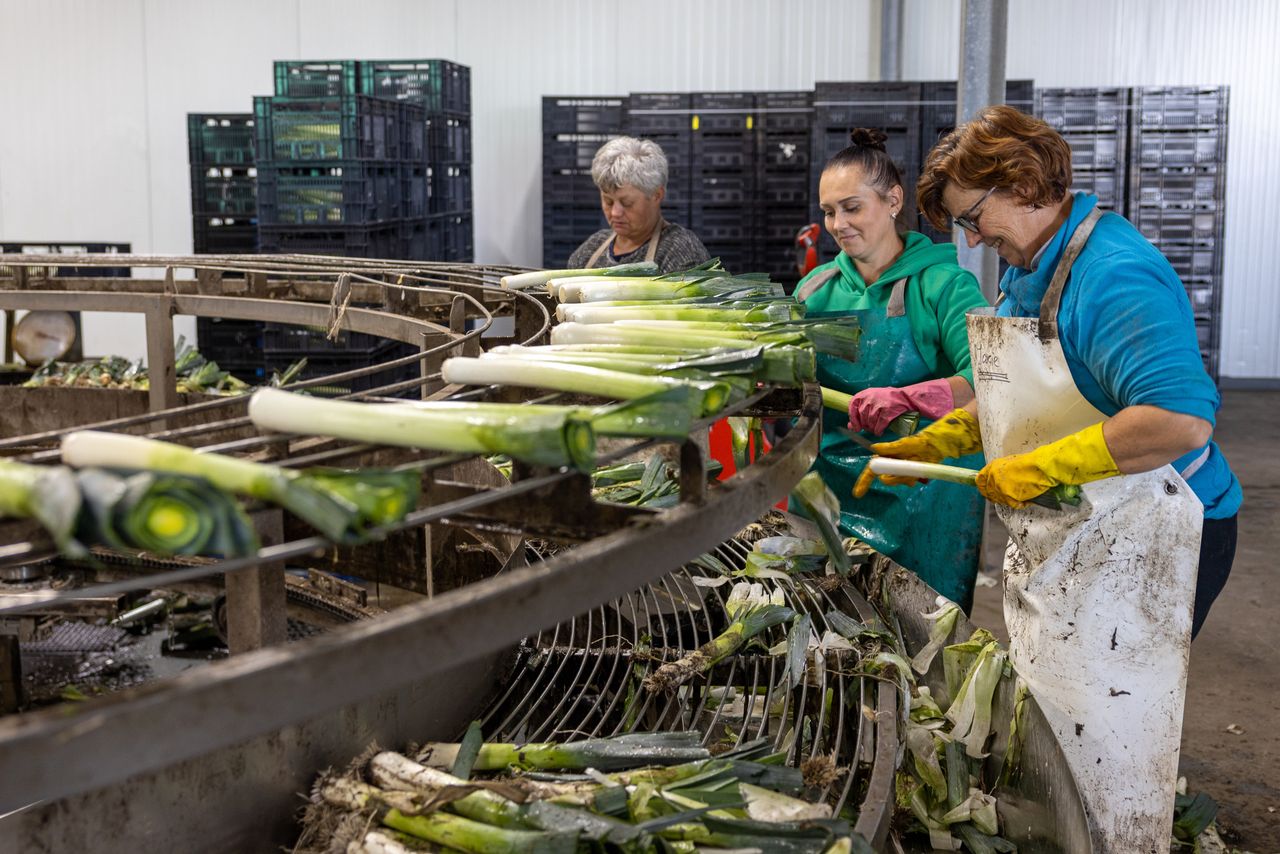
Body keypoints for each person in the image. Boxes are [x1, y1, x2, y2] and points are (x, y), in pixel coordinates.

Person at [865, 105, 1241, 852]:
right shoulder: (1034, 262)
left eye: (974, 218)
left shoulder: (1114, 275)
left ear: (1026, 183)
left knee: (1110, 718)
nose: (972, 241)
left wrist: (1045, 465)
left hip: (1160, 533)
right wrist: (954, 433)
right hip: (1087, 527)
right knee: (1060, 715)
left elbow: (1178, 418)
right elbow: (1026, 387)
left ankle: (1124, 836)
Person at [792, 128, 989, 611]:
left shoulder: (945, 285)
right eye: (828, 211)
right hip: (828, 491)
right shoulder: (814, 290)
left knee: (918, 643)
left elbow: (989, 380)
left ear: (894, 201)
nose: (838, 223)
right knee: (820, 636)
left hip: (921, 495)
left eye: (852, 207)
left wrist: (911, 399)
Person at [567, 136, 710, 273]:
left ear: (656, 195)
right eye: (608, 201)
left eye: (627, 203)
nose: (615, 212)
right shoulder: (591, 249)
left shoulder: (681, 253)